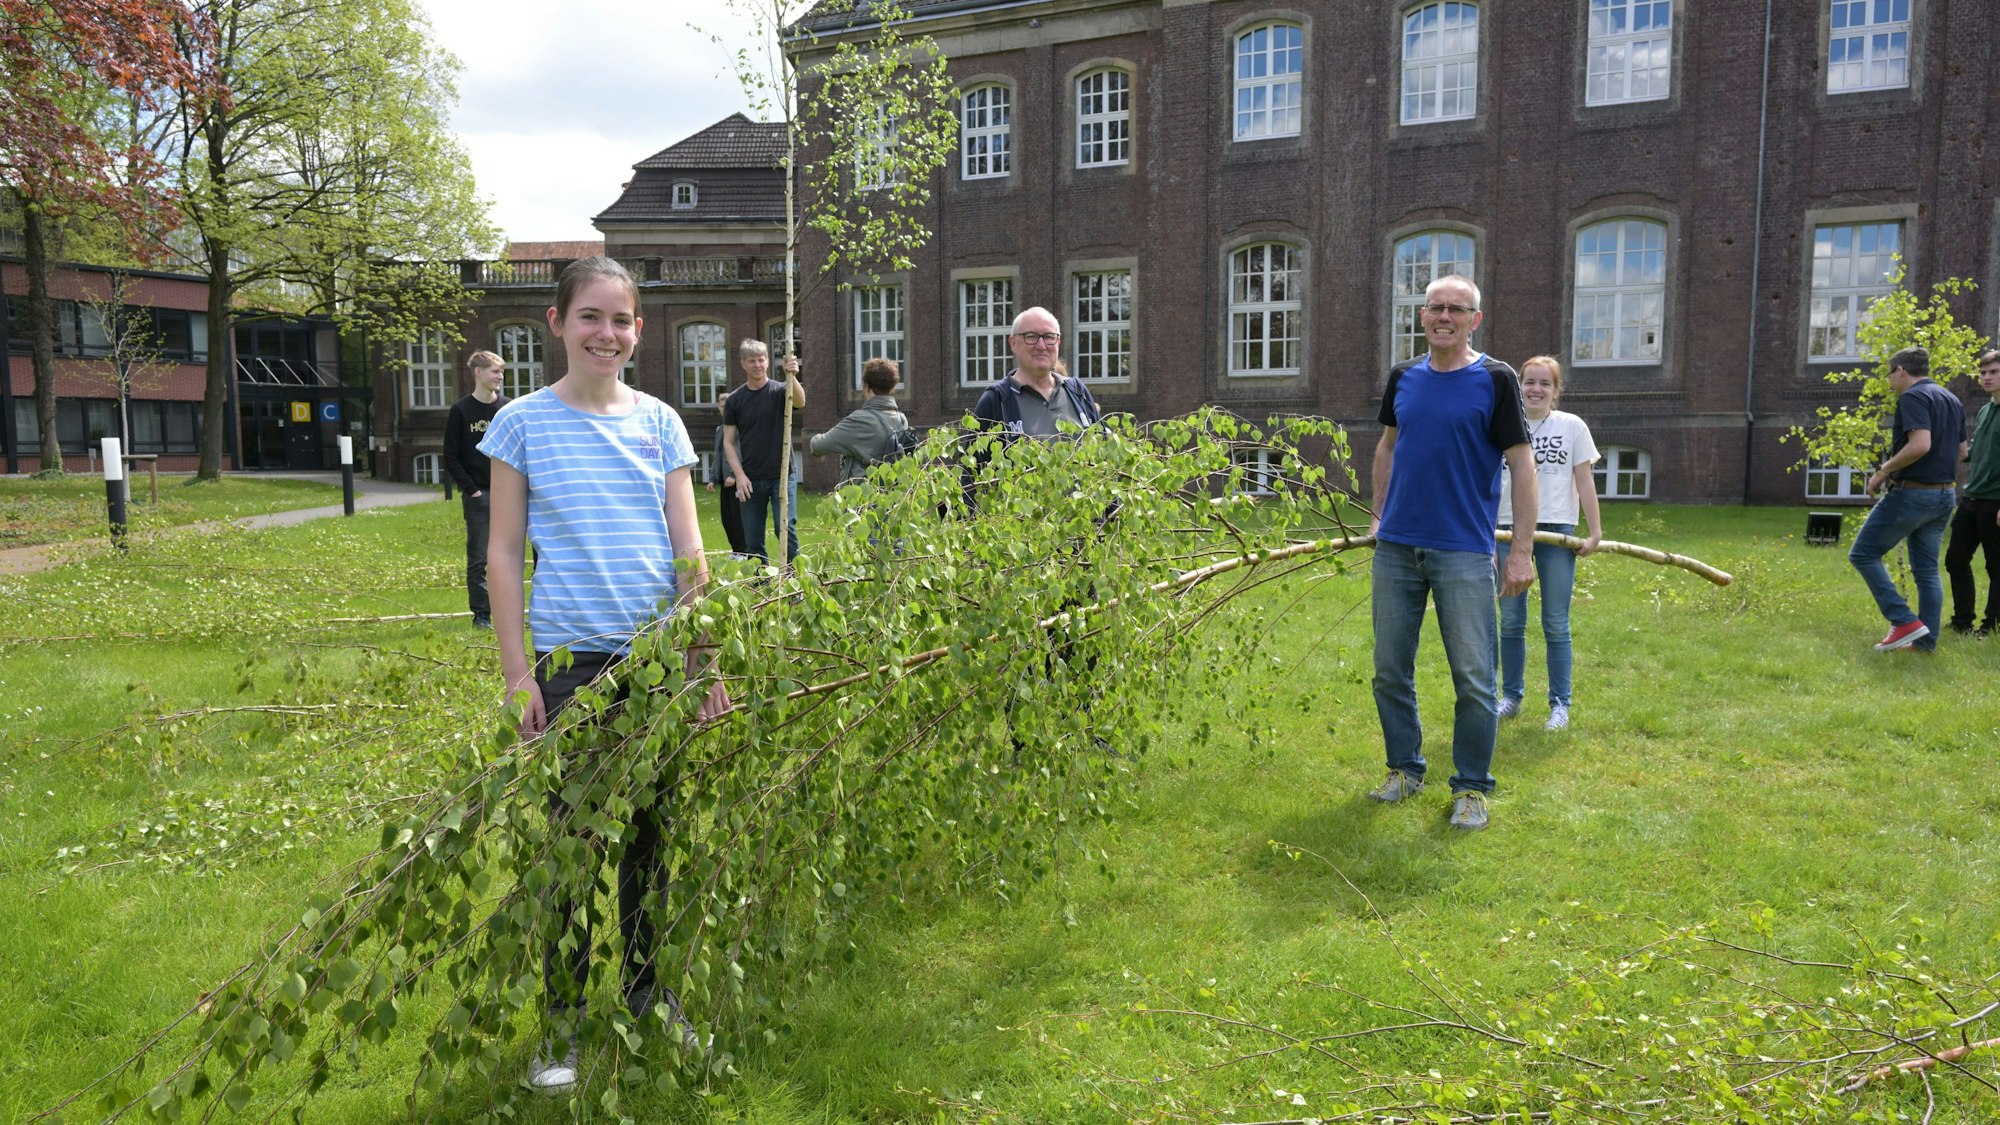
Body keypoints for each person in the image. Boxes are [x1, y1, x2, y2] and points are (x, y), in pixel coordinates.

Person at [479, 256, 731, 1094]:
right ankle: (561, 1021)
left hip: (657, 660)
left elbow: (690, 549)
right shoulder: (520, 423)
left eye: (621, 321)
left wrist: (703, 657)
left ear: (640, 332)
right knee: (570, 844)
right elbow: (505, 552)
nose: (607, 334)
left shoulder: (661, 423)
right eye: (590, 317)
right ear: (556, 322)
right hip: (571, 666)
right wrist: (519, 673)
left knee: (651, 839)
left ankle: (650, 994)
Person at [1366, 275, 1535, 832]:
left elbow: (1521, 464)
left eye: (1456, 309)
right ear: (1421, 316)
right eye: (1436, 307)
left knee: (1475, 677)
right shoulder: (1403, 378)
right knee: (1390, 669)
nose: (1445, 316)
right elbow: (1388, 447)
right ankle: (1405, 769)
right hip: (1396, 549)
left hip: (1464, 551)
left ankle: (1470, 788)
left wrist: (1520, 552)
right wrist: (1378, 515)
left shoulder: (1496, 379)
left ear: (1474, 320)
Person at [1494, 356, 1602, 732]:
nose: (1535, 389)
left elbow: (1584, 480)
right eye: (1529, 382)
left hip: (1557, 528)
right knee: (1510, 620)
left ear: (1556, 392)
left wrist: (1594, 531)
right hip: (1507, 527)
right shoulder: (1503, 423)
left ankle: (1560, 704)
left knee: (1556, 622)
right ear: (1518, 386)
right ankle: (1510, 697)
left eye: (1545, 383)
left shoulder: (1572, 427)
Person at [1850, 346, 1964, 653]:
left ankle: (1903, 621)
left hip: (1913, 493)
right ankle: (1925, 642)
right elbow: (1963, 452)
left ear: (1901, 370)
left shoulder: (1913, 397)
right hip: (1944, 495)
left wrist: (1882, 471)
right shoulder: (1952, 400)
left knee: (1862, 554)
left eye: (1890, 374)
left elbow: (1921, 444)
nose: (1889, 381)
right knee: (1927, 571)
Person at [722, 340, 806, 564]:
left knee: (785, 529)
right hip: (750, 478)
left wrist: (793, 376)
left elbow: (800, 401)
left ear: (768, 361)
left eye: (761, 360)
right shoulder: (735, 400)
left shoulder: (780, 391)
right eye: (752, 361)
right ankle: (762, 583)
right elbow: (728, 442)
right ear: (743, 364)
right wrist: (739, 475)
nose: (757, 365)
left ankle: (791, 579)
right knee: (753, 540)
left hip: (782, 474)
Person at [442, 350, 507, 628]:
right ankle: (482, 615)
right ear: (478, 372)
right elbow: (450, 456)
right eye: (495, 371)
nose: (500, 377)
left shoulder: (507, 408)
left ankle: (511, 612)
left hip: (509, 495)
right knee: (479, 558)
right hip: (479, 494)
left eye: (502, 372)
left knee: (509, 558)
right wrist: (473, 491)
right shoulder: (461, 411)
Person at [971, 307, 1103, 437]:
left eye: (1049, 337)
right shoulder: (996, 400)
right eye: (1031, 337)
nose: (1041, 346)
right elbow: (973, 458)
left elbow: (1102, 448)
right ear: (1013, 343)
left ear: (1058, 342)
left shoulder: (1077, 392)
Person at [1944, 348, 2000, 638]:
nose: (1987, 377)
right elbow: (1974, 454)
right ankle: (1962, 621)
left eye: (1994, 372)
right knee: (1955, 559)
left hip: (1996, 501)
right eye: (1983, 372)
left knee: (1996, 567)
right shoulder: (1985, 410)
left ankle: (1992, 626)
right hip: (1972, 498)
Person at [810, 356, 909, 485]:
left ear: (867, 386)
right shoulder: (901, 419)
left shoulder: (860, 420)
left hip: (863, 501)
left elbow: (817, 446)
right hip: (893, 498)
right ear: (892, 388)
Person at [706, 404, 751, 555]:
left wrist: (733, 474)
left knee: (738, 518)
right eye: (721, 402)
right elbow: (717, 455)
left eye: (727, 402)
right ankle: (736, 550)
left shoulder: (738, 428)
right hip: (724, 482)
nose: (723, 405)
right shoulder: (720, 429)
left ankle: (744, 552)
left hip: (737, 481)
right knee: (727, 519)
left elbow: (740, 451)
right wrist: (712, 478)